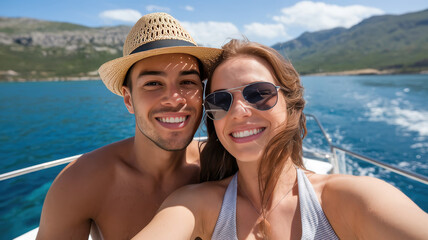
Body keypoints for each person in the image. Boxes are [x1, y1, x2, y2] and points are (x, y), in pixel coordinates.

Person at [133, 39, 428, 240]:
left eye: (258, 93)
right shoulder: (194, 203)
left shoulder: (353, 199)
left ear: (291, 106)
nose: (238, 111)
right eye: (220, 100)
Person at [36, 12, 222, 239]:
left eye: (187, 82)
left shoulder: (221, 165)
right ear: (128, 99)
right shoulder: (80, 181)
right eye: (153, 83)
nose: (174, 98)